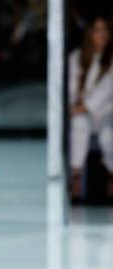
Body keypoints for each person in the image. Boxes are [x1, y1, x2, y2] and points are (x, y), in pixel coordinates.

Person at [68, 16, 113, 199]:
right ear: (90, 34)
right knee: (79, 124)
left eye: (104, 30)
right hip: (81, 114)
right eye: (97, 30)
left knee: (108, 135)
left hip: (107, 112)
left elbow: (106, 91)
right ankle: (76, 175)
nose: (101, 35)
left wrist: (84, 107)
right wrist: (76, 106)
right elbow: (70, 90)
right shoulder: (77, 57)